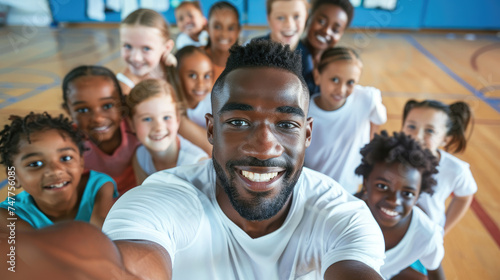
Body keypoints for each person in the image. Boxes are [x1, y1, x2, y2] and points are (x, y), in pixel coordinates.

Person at [3, 40, 385, 280]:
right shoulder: (164, 199)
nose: (263, 146)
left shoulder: (341, 215)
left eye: (286, 123)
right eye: (238, 121)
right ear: (211, 130)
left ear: (307, 133)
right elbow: (128, 262)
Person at [117, 8, 213, 156]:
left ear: (166, 48)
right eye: (127, 46)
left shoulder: (168, 66)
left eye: (146, 48)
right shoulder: (124, 89)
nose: (136, 57)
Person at [0, 112, 117, 230]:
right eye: (35, 164)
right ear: (13, 176)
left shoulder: (99, 186)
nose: (55, 170)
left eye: (66, 158)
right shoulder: (9, 214)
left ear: (81, 162)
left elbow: (104, 232)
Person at [355, 131, 445, 280]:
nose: (394, 201)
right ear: (366, 183)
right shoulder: (343, 212)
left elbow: (435, 273)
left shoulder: (426, 235)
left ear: (418, 196)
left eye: (408, 193)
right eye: (382, 186)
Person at [304, 47, 387, 194]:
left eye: (350, 82)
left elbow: (377, 119)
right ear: (317, 75)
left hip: (351, 191)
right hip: (313, 192)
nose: (341, 90)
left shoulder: (367, 98)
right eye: (334, 80)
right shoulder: (304, 111)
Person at [62, 65, 141, 195]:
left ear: (122, 102)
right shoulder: (69, 144)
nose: (98, 119)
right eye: (83, 110)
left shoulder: (137, 126)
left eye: (107, 106)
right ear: (68, 110)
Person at [402, 99, 476, 235]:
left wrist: (443, 230)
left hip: (425, 237)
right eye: (411, 127)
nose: (417, 136)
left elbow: (464, 197)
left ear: (445, 139)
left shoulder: (456, 169)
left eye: (429, 130)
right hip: (387, 230)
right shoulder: (389, 157)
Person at [126, 78, 208, 185]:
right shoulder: (140, 157)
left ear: (177, 118)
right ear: (131, 124)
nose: (158, 127)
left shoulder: (197, 165)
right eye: (147, 119)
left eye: (166, 117)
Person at [301, 0, 354, 94]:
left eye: (335, 30)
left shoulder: (336, 64)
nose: (327, 31)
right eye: (321, 21)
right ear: (309, 17)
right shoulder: (292, 53)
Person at [176, 46, 213, 128]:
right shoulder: (169, 105)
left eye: (206, 76)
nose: (201, 84)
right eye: (192, 75)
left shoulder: (214, 104)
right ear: (177, 76)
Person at [205, 1, 241, 82]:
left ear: (238, 30)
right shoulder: (195, 59)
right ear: (207, 28)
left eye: (231, 28)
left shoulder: (246, 65)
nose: (224, 34)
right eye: (217, 27)